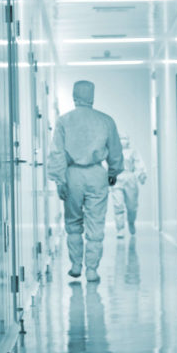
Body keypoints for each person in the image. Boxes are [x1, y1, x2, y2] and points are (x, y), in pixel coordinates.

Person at [47, 80, 123, 282]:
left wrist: (59, 180)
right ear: (92, 96)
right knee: (96, 222)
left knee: (73, 221)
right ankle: (92, 269)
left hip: (72, 175)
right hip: (97, 174)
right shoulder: (106, 120)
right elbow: (115, 150)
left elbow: (57, 153)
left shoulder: (64, 121)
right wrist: (114, 171)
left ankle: (75, 264)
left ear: (74, 96)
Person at [110, 135, 146, 238]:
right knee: (118, 205)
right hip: (117, 178)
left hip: (130, 178)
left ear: (128, 140)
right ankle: (120, 229)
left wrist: (141, 175)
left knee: (132, 206)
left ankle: (131, 222)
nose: (123, 141)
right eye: (121, 138)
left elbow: (139, 165)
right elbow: (108, 166)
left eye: (125, 138)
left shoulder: (133, 151)